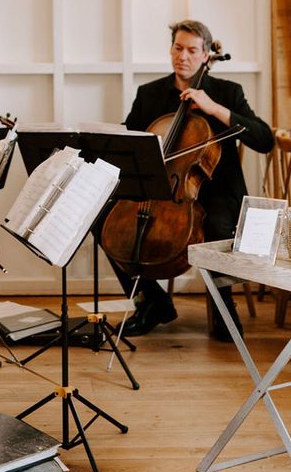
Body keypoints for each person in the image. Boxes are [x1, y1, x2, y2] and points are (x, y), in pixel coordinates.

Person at [111, 19, 274, 341]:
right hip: (162, 189)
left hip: (216, 190)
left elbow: (264, 139)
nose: (182, 56)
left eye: (191, 50)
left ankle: (224, 305)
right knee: (107, 221)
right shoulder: (150, 94)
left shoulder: (227, 92)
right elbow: (129, 139)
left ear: (205, 56)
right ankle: (153, 302)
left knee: (215, 225)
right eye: (177, 48)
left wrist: (214, 109)